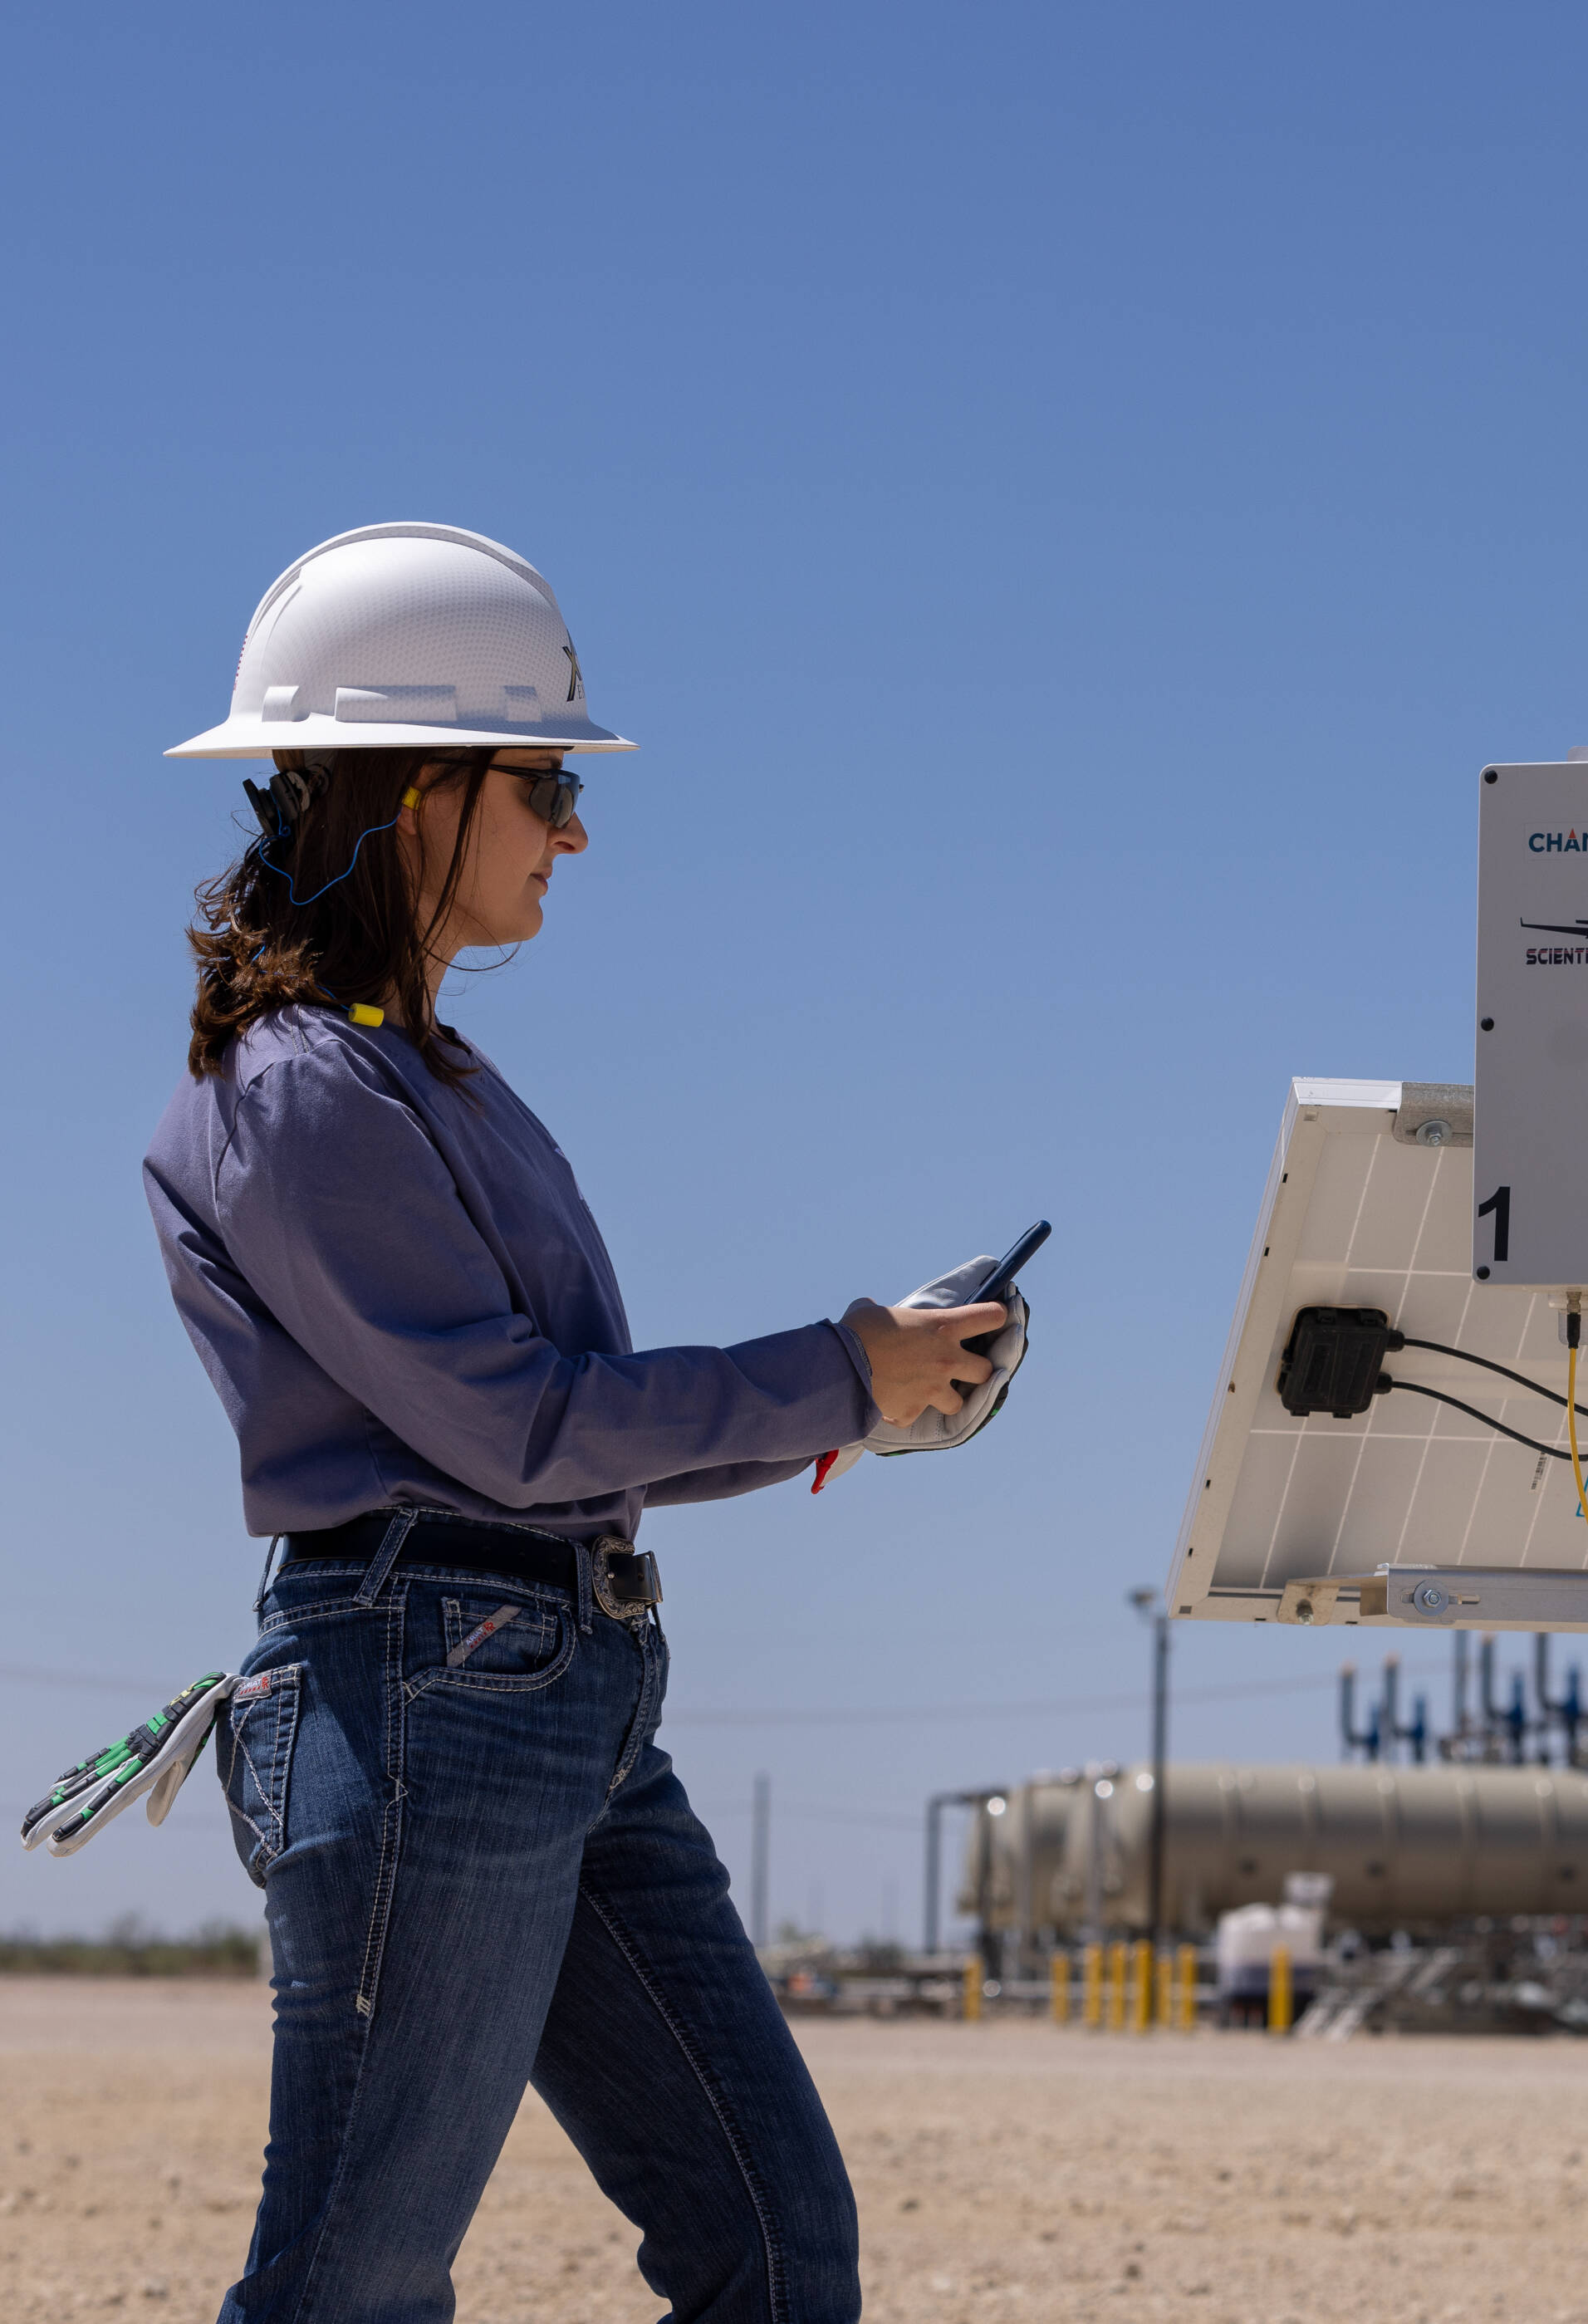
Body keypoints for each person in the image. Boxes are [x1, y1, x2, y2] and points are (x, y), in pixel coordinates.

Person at [144, 522, 1007, 2324]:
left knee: (774, 2248)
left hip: (560, 1688)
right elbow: (527, 1429)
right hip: (433, 1689)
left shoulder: (420, 1071)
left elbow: (566, 1446)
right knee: (351, 2285)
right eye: (544, 782)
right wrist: (841, 1370)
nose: (574, 827)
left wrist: (868, 1393)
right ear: (414, 793)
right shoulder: (302, 1089)